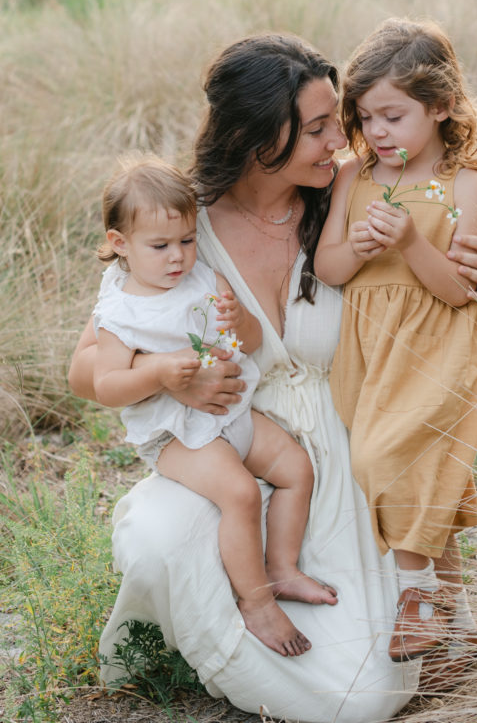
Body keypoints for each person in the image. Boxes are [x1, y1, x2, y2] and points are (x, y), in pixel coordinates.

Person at [68, 32, 477, 723]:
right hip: (236, 439)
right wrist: (165, 375)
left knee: (366, 694)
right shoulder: (182, 229)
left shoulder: (356, 193)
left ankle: (404, 606)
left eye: (343, 118)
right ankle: (232, 607)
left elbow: (441, 267)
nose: (345, 139)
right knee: (159, 543)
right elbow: (87, 370)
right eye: (319, 127)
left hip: (350, 437)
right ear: (255, 136)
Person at [92, 153, 336, 659]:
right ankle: (257, 603)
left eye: (186, 240)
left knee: (296, 467)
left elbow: (247, 342)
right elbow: (106, 384)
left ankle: (283, 567)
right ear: (120, 245)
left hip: (233, 415)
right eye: (159, 246)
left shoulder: (203, 278)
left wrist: (239, 317)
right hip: (176, 434)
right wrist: (157, 372)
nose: (177, 256)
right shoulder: (121, 310)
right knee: (240, 494)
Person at [315, 18, 477, 665]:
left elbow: (458, 290)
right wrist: (358, 249)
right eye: (365, 119)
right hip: (367, 349)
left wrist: (411, 242)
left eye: (393, 115)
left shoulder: (464, 186)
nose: (378, 133)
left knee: (383, 459)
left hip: (434, 345)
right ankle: (461, 627)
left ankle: (417, 598)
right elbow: (328, 268)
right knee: (417, 472)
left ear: (441, 106)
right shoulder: (351, 177)